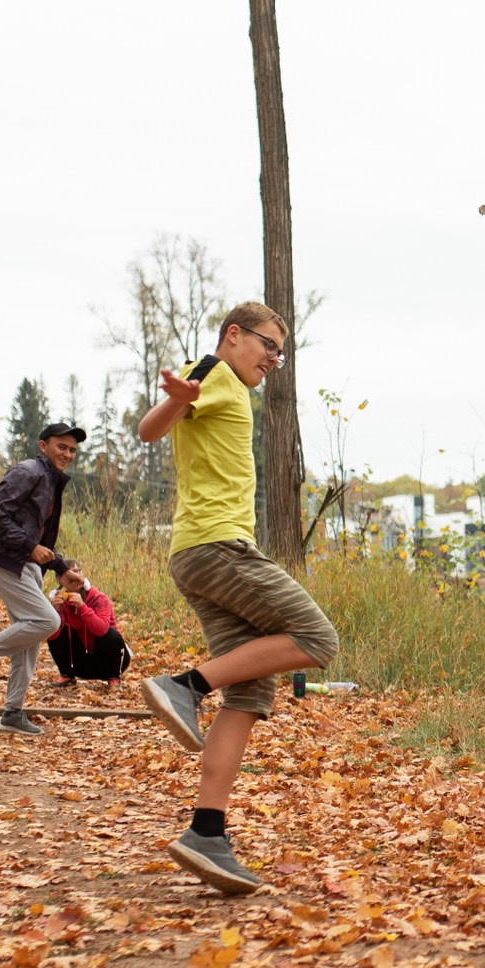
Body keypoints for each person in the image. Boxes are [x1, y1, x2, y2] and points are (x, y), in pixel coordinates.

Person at [134, 302, 341, 895]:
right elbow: (152, 427)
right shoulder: (216, 375)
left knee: (249, 690)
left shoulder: (214, 381)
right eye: (268, 345)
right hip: (217, 549)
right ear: (234, 335)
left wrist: (180, 395)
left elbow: (155, 429)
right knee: (317, 638)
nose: (274, 359)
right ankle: (185, 686)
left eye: (281, 351)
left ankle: (206, 831)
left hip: (199, 552)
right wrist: (180, 394)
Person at [0, 423, 80, 736]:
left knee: (29, 643)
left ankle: (12, 713)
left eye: (72, 450)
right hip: (6, 562)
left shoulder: (52, 481)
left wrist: (60, 566)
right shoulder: (28, 472)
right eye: (61, 447)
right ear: (43, 445)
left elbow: (39, 537)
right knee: (48, 622)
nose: (67, 454)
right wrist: (31, 547)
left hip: (25, 565)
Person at [47, 565, 132, 685]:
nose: (75, 575)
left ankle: (114, 678)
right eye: (71, 572)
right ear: (60, 580)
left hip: (112, 661)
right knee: (54, 627)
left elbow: (101, 630)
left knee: (111, 634)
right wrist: (54, 611)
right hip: (82, 666)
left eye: (77, 571)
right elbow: (52, 636)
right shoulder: (62, 602)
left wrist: (82, 607)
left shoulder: (99, 598)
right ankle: (67, 675)